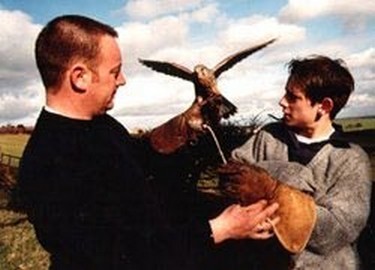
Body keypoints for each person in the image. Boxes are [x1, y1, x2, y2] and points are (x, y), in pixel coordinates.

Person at [17, 14, 279, 270]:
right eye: (115, 71)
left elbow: (140, 166)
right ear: (79, 77)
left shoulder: (101, 125)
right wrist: (219, 229)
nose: (122, 80)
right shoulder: (45, 165)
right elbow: (123, 254)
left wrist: (184, 125)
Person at [219, 55, 372, 269]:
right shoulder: (268, 136)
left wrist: (273, 188)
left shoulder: (351, 159)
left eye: (293, 97)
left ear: (324, 106)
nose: (282, 101)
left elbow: (339, 230)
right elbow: (231, 177)